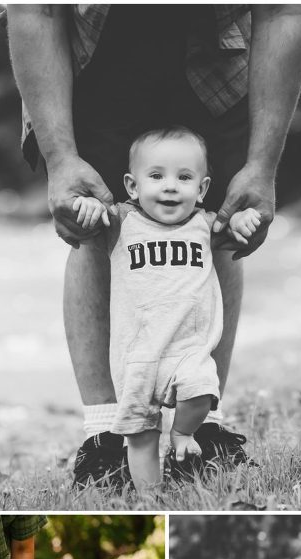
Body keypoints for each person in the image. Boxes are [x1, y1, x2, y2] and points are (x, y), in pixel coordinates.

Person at [5, 4, 301, 487]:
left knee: (222, 228)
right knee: (93, 225)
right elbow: (35, 9)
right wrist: (61, 158)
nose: (170, 188)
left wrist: (262, 166)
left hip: (219, 51)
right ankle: (106, 436)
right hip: (95, 51)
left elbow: (284, 10)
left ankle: (202, 431)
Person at [73, 125, 261, 490]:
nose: (170, 186)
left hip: (188, 348)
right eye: (156, 176)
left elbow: (233, 230)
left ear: (203, 189)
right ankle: (150, 497)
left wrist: (241, 220)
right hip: (138, 354)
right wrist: (88, 205)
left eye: (184, 177)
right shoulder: (122, 221)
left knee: (203, 389)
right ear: (132, 186)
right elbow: (94, 218)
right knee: (141, 435)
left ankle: (183, 434)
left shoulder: (204, 225)